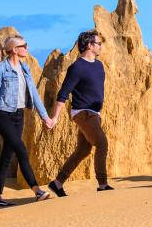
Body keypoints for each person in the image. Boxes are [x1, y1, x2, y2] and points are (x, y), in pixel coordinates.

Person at [0, 35, 56, 208]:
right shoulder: (0, 69)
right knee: (21, 150)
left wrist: (45, 117)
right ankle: (37, 191)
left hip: (18, 116)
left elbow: (34, 94)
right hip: (3, 115)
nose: (27, 48)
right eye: (24, 45)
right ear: (15, 49)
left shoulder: (25, 69)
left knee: (7, 156)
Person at [47, 30, 111, 196]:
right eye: (98, 43)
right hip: (83, 113)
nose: (100, 46)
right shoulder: (77, 67)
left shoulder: (99, 65)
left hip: (93, 113)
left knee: (83, 150)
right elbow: (63, 93)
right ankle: (103, 184)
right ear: (90, 45)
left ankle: (57, 183)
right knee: (102, 143)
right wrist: (54, 117)